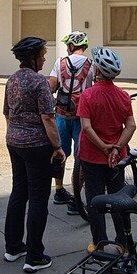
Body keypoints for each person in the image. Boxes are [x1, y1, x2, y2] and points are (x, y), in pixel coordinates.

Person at [3, 36, 66, 274]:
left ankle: (13, 247)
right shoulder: (39, 83)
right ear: (32, 58)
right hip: (37, 145)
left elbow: (7, 114)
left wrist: (15, 134)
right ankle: (34, 256)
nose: (44, 58)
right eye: (42, 55)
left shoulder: (11, 80)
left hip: (14, 142)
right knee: (39, 197)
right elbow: (48, 118)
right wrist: (57, 146)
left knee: (19, 191)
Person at [76, 47, 136, 253]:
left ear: (97, 71)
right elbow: (131, 125)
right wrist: (117, 147)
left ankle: (99, 243)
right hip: (117, 157)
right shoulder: (123, 96)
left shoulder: (88, 95)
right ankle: (123, 242)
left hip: (92, 155)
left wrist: (103, 147)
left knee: (94, 199)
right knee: (118, 198)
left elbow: (86, 127)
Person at [47, 31, 94, 215]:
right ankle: (76, 199)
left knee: (59, 153)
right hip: (82, 117)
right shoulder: (91, 65)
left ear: (72, 46)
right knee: (80, 156)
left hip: (61, 114)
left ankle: (59, 191)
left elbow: (51, 85)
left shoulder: (60, 62)